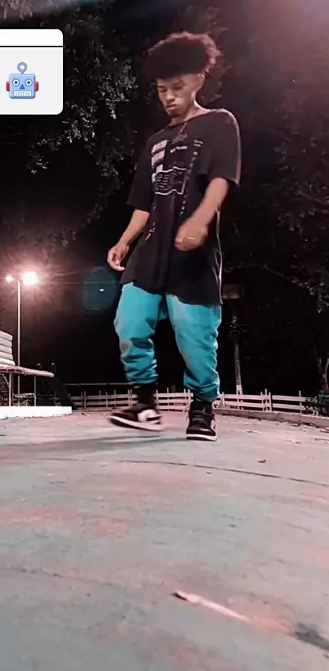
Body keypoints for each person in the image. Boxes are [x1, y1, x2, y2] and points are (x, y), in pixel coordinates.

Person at [107, 32, 241, 441]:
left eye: (177, 87)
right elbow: (143, 203)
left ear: (199, 79)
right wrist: (124, 240)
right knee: (129, 321)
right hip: (150, 249)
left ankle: (202, 407)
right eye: (162, 89)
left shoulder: (220, 122)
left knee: (193, 334)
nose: (168, 97)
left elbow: (221, 178)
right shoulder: (154, 142)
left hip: (192, 251)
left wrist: (201, 219)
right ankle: (145, 403)